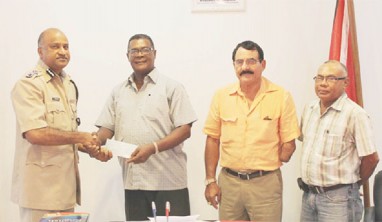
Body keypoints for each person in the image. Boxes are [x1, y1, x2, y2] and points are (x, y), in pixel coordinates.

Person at [10, 28, 112, 222]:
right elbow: (35, 134)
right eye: (55, 46)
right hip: (40, 192)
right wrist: (80, 136)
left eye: (66, 46)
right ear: (40, 51)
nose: (63, 51)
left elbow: (66, 135)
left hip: (66, 189)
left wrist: (91, 149)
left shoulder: (67, 83)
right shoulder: (29, 84)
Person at [95, 34, 197, 221]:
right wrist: (93, 144)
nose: (139, 54)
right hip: (134, 184)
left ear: (155, 53)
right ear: (127, 56)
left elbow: (185, 129)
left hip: (169, 183)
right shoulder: (118, 91)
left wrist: (153, 148)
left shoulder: (172, 87)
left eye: (145, 49)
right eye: (134, 50)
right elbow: (106, 129)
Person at [203, 40, 300, 221]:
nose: (245, 67)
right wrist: (210, 181)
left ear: (263, 65)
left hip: (265, 184)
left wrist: (266, 161)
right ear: (234, 66)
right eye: (239, 62)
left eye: (251, 61)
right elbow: (212, 140)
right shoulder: (221, 96)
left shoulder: (281, 96)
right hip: (229, 184)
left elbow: (289, 144)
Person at [298, 60, 380, 222]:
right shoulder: (310, 109)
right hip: (308, 196)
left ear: (346, 83)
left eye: (331, 78)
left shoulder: (355, 114)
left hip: (338, 200)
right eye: (319, 78)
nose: (323, 84)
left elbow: (371, 158)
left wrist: (355, 184)